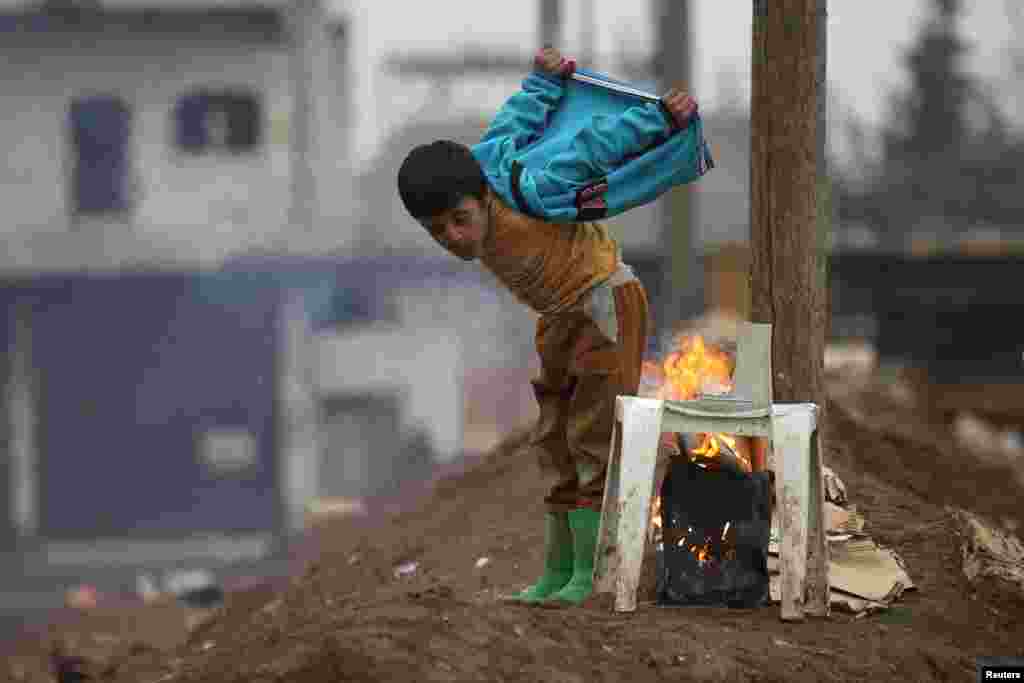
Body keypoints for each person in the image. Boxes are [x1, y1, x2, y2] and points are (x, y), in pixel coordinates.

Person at [396, 47, 699, 607]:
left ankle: (588, 573)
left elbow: (592, 148)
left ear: (483, 199)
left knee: (592, 439)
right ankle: (557, 572)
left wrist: (658, 118)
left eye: (461, 221)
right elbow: (516, 121)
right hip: (559, 317)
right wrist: (542, 82)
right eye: (439, 232)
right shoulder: (479, 166)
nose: (456, 238)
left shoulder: (532, 188)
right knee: (556, 442)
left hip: (605, 304)